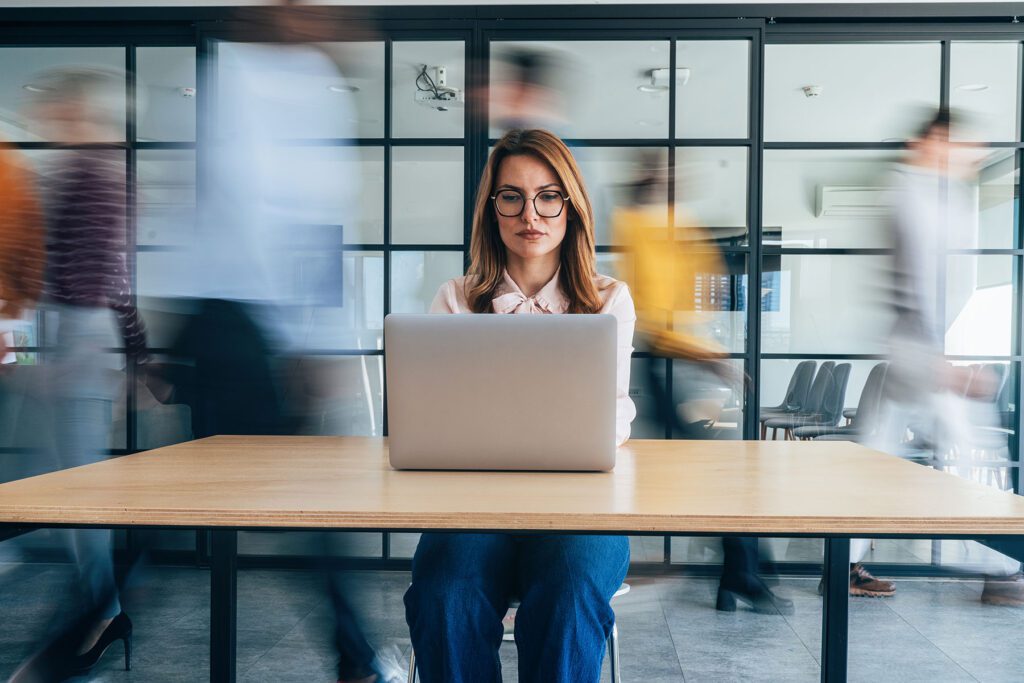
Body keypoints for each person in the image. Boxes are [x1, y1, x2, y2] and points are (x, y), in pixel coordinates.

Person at [403, 129, 635, 683]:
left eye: (548, 196)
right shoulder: (456, 299)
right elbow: (433, 417)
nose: (530, 214)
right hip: (471, 507)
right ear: (492, 209)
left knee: (570, 594)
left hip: (581, 509)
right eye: (511, 196)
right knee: (444, 593)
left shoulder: (607, 299)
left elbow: (614, 413)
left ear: (571, 207)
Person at [613, 153, 792, 615]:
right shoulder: (640, 225)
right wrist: (709, 359)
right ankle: (742, 574)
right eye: (662, 172)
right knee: (723, 476)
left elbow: (694, 293)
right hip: (671, 365)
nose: (672, 179)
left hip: (683, 363)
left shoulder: (673, 223)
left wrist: (711, 357)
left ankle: (740, 574)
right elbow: (659, 310)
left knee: (721, 476)